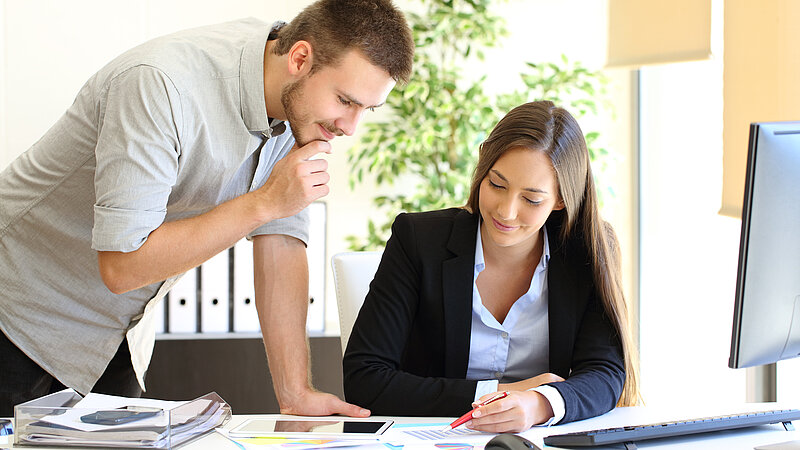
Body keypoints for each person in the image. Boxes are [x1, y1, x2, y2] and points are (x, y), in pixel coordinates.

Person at [0, 0, 413, 417]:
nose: (350, 126)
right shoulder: (161, 84)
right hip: (19, 309)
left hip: (114, 336)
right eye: (346, 101)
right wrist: (264, 202)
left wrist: (295, 394)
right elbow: (122, 264)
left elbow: (281, 239)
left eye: (367, 108)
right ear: (300, 58)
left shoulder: (300, 107)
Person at [342, 101, 640, 432]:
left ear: (561, 200)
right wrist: (502, 395)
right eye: (497, 184)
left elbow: (606, 373)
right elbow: (364, 378)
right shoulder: (418, 240)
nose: (506, 211)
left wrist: (540, 403)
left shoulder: (587, 250)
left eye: (531, 199)